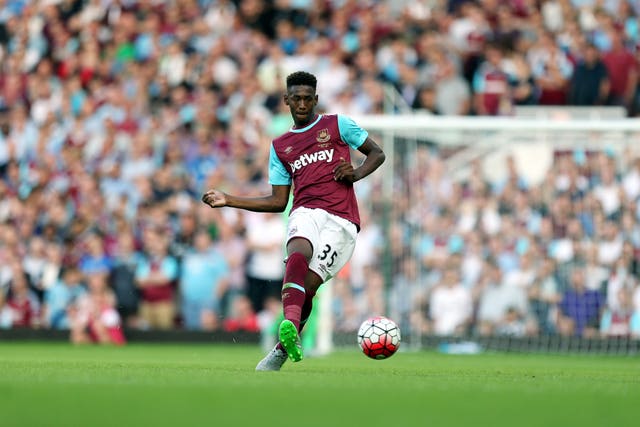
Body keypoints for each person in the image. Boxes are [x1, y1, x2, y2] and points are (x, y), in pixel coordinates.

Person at [202, 71, 385, 371]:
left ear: (315, 99)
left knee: (308, 288)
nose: (301, 104)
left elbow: (377, 154)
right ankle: (289, 325)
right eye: (295, 99)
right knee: (297, 254)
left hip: (343, 222)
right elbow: (278, 201)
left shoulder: (337, 124)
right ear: (286, 101)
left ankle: (281, 349)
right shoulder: (280, 146)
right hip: (305, 211)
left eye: (307, 98)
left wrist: (357, 173)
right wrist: (229, 199)